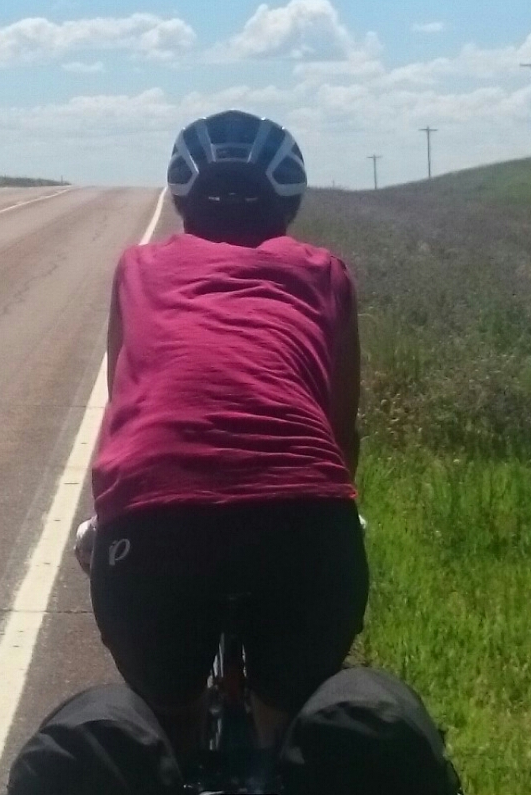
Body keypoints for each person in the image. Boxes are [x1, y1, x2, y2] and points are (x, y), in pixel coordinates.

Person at [85, 110, 365, 746]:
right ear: (288, 201)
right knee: (292, 744)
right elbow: (341, 429)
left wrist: (108, 519)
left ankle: (177, 768)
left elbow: (124, 405)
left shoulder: (137, 268)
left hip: (155, 528)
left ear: (183, 199)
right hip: (306, 525)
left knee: (167, 738)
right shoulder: (325, 272)